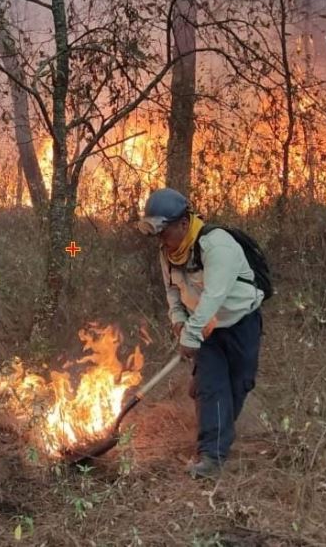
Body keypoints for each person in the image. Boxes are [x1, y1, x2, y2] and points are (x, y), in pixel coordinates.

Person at [137, 187, 264, 479]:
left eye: (164, 231)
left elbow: (213, 297)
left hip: (240, 323)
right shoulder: (167, 252)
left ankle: (216, 422)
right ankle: (211, 455)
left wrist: (190, 336)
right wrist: (179, 322)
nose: (161, 240)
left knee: (239, 384)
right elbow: (172, 291)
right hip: (205, 328)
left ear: (183, 223)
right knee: (212, 385)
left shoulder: (217, 246)